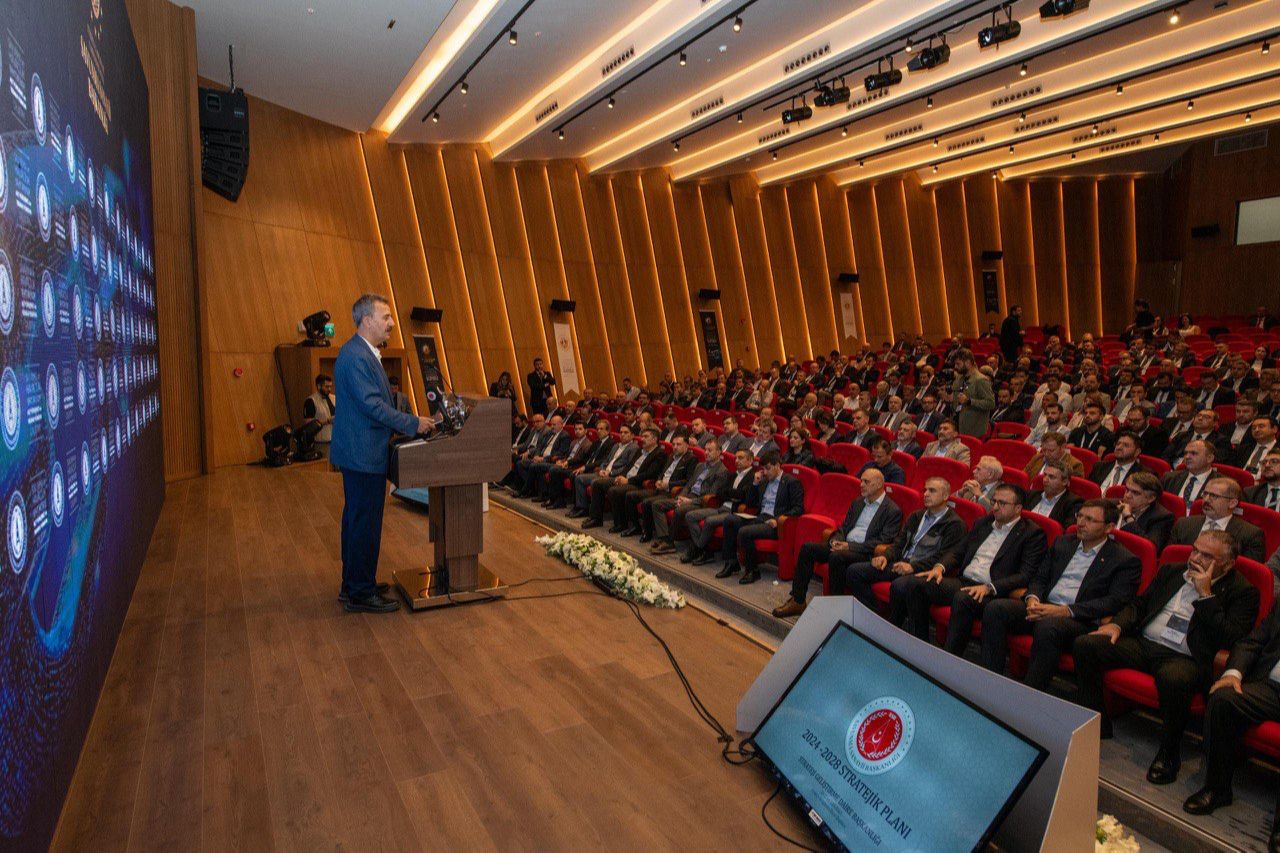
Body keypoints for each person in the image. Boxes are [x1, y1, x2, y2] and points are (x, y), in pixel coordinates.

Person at [1074, 531, 1259, 786]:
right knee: (1087, 644)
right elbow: (1140, 604)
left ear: (1227, 564)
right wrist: (1117, 625)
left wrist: (1206, 596)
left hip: (1185, 657)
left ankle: (1168, 754)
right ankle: (1097, 724)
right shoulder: (1172, 571)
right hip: (1145, 643)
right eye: (1195, 550)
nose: (1195, 558)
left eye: (1207, 556)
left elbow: (1231, 637)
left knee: (1174, 678)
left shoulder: (1243, 591)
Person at [331, 294, 435, 614]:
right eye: (386, 317)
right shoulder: (356, 356)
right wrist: (414, 423)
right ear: (367, 320)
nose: (392, 323)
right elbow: (373, 406)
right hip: (363, 454)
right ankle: (360, 593)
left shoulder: (362, 353)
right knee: (364, 524)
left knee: (359, 522)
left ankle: (355, 584)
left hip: (361, 452)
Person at [980, 499, 1141, 690]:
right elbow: (1040, 577)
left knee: (1049, 627)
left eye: (1090, 519)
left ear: (1109, 527)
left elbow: (1114, 601)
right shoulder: (1063, 542)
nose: (1080, 523)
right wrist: (1033, 599)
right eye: (1079, 516)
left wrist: (1065, 611)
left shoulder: (1124, 560)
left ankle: (1030, 695)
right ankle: (989, 680)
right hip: (1043, 606)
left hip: (1078, 619)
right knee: (997, 608)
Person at [892, 483, 1046, 646]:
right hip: (963, 581)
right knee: (917, 584)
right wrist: (939, 567)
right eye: (994, 501)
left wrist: (989, 587)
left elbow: (1025, 575)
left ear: (1018, 508)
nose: (995, 506)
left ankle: (950, 658)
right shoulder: (984, 523)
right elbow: (958, 552)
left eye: (1002, 503)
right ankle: (918, 643)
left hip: (991, 591)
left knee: (963, 599)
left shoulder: (1031, 533)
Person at [1183, 606, 1280, 853]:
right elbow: (1253, 641)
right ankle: (1217, 788)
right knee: (1223, 698)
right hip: (1271, 684)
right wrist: (1234, 672)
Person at [771, 469, 902, 618]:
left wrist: (849, 546)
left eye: (866, 482)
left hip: (864, 552)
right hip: (845, 545)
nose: (861, 485)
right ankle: (798, 600)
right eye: (861, 481)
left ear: (879, 484)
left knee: (837, 557)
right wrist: (837, 540)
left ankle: (835, 610)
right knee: (808, 548)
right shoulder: (858, 502)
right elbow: (844, 527)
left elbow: (883, 542)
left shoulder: (892, 510)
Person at [842, 477, 966, 614]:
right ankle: (874, 615)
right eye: (925, 490)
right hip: (900, 563)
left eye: (932, 491)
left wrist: (913, 567)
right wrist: (885, 557)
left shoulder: (954, 524)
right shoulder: (916, 516)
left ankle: (893, 627)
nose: (926, 494)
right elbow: (899, 543)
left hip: (923, 571)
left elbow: (944, 557)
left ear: (945, 496)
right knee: (854, 571)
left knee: (899, 586)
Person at [715, 450, 804, 584]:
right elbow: (750, 503)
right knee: (730, 520)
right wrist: (755, 484)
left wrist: (778, 519)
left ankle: (752, 570)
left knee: (745, 532)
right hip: (760, 517)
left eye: (768, 468)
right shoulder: (764, 481)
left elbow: (798, 508)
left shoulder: (791, 482)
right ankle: (731, 562)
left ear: (777, 466)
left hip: (775, 523)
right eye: (764, 469)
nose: (765, 472)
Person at [647, 437, 731, 556]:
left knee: (680, 510)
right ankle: (664, 538)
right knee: (657, 505)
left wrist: (689, 501)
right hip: (687, 497)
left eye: (710, 450)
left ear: (719, 452)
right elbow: (688, 485)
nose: (706, 453)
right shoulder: (700, 466)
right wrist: (681, 497)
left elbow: (711, 495)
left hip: (700, 502)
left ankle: (670, 543)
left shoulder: (722, 471)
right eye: (705, 450)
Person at [681, 449, 757, 565]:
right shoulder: (732, 474)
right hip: (721, 507)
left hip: (734, 512)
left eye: (740, 458)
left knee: (709, 521)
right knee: (690, 516)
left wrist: (730, 494)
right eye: (736, 458)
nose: (737, 461)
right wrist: (732, 494)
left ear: (750, 460)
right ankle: (702, 549)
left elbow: (744, 496)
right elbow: (720, 493)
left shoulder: (753, 477)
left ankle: (697, 548)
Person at [584, 428, 667, 530]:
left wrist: (628, 481)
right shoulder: (640, 451)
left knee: (614, 490)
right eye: (642, 436)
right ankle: (596, 518)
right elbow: (629, 466)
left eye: (646, 437)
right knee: (598, 484)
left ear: (654, 439)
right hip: (626, 478)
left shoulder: (659, 454)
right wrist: (621, 476)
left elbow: (650, 474)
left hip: (638, 483)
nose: (642, 439)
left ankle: (621, 524)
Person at [618, 435, 697, 539]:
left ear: (686, 445)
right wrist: (659, 480)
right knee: (630, 495)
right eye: (673, 444)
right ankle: (636, 527)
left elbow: (688, 481)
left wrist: (668, 485)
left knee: (647, 502)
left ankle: (648, 533)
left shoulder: (691, 459)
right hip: (659, 488)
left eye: (678, 444)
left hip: (671, 492)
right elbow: (662, 472)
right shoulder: (671, 456)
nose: (675, 447)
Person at [1169, 477, 1266, 561]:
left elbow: (1246, 573)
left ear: (1232, 503)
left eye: (1214, 496)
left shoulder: (1251, 535)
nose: (1206, 499)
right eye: (1205, 494)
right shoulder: (1183, 524)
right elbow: (1171, 559)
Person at [568, 425, 638, 518]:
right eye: (621, 432)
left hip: (614, 475)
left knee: (595, 483)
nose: (622, 435)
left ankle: (595, 516)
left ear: (632, 435)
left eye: (626, 433)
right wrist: (602, 469)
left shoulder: (634, 448)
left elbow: (628, 466)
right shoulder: (616, 445)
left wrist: (611, 473)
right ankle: (582, 507)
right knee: (579, 478)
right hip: (604, 472)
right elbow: (606, 460)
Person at [1116, 471, 1175, 553]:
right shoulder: (1113, 505)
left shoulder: (1162, 517)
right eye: (1127, 490)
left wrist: (1129, 518)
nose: (1127, 495)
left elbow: (1150, 548)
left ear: (1151, 498)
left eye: (1135, 493)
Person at [1026, 459, 1084, 528]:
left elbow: (1065, 532)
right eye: (1045, 475)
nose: (1045, 480)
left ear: (1064, 481)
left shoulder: (1074, 503)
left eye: (1051, 477)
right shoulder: (1031, 495)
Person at [951, 349, 995, 437]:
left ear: (967, 362)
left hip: (973, 431)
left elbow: (991, 403)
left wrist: (969, 401)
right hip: (958, 426)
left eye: (958, 364)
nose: (955, 366)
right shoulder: (959, 378)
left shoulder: (981, 380)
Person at [1162, 439, 1220, 507]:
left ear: (1209, 458)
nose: (1187, 457)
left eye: (1193, 453)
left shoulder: (1222, 485)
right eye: (1185, 453)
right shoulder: (1169, 478)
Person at [303, 373, 336, 448]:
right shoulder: (311, 401)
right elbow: (308, 424)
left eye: (330, 386)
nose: (329, 389)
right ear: (319, 386)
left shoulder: (334, 398)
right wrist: (327, 420)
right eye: (327, 387)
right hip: (321, 443)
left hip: (336, 441)